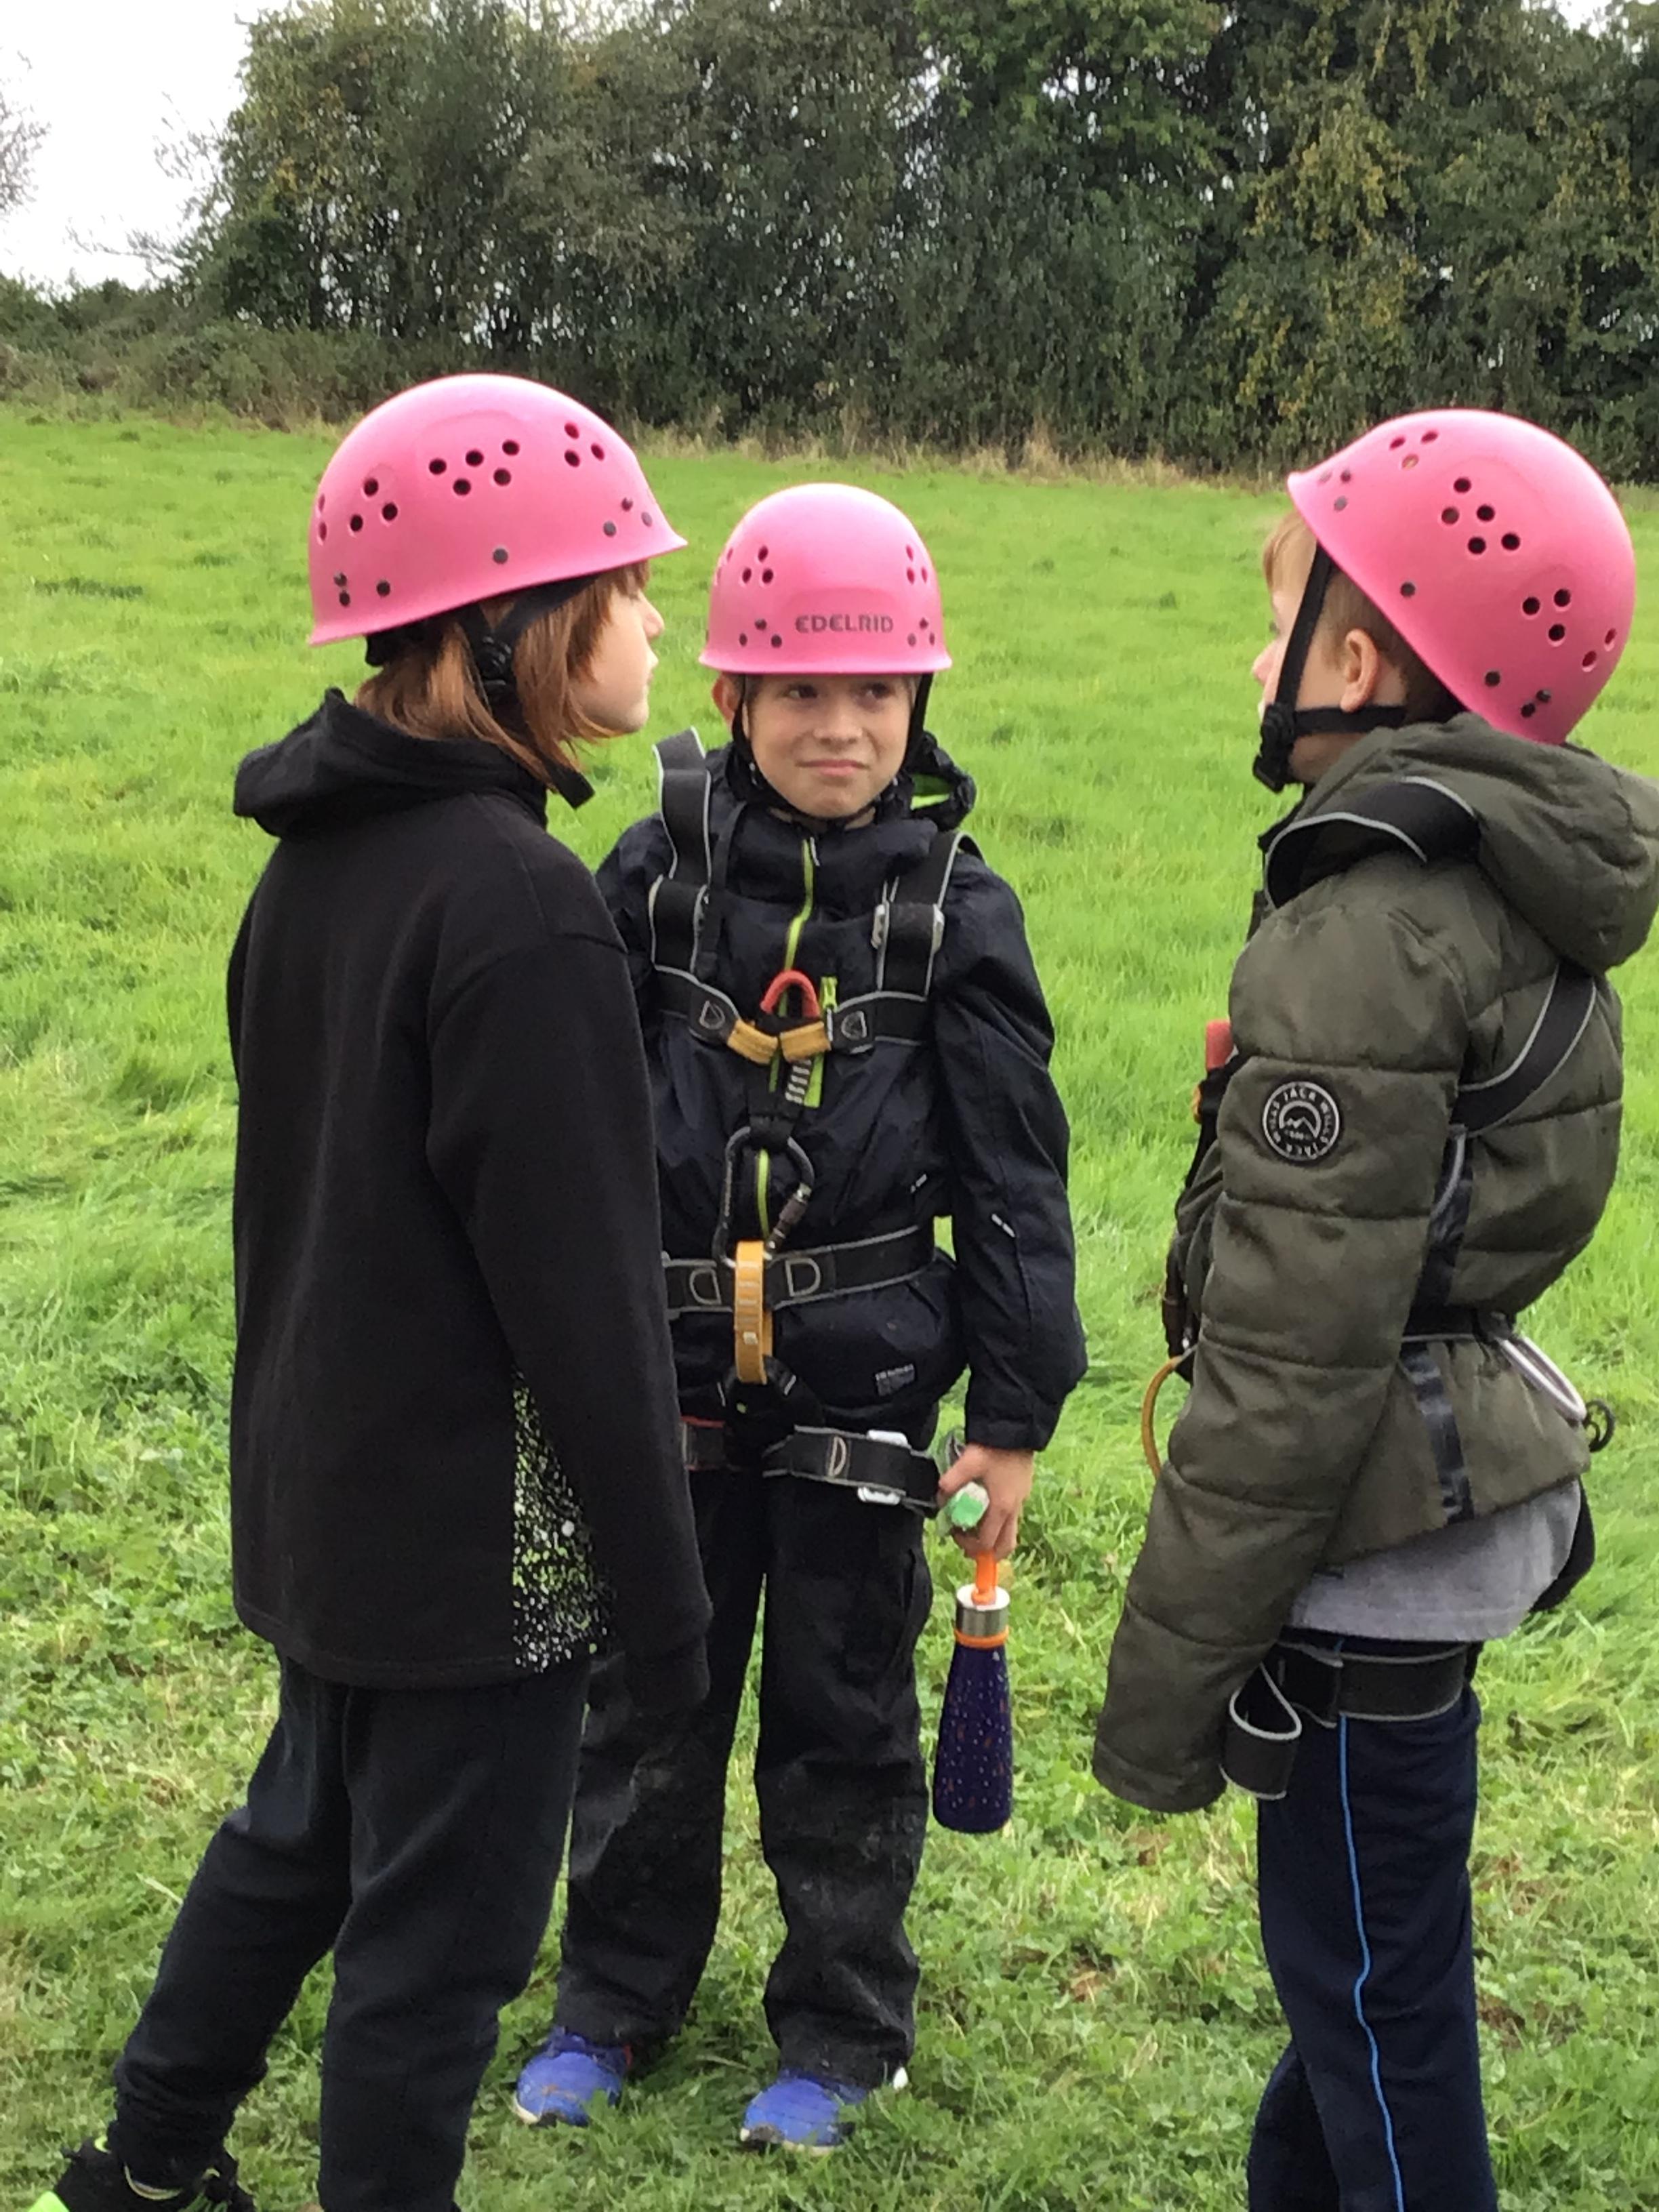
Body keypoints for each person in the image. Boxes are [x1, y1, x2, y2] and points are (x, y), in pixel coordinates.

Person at [32, 375, 711, 2212]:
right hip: (481, 1556)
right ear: (517, 624)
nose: (658, 624)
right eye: (628, 586)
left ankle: (145, 2169)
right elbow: (588, 1311)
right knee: (436, 1962)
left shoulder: (314, 868)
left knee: (298, 1842)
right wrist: (668, 1610)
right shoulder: (524, 908)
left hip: (328, 1498)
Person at [1092, 407, 1659, 2209]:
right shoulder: (1501, 873)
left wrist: (1166, 1688)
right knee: (1354, 1962)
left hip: (1364, 1546)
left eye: (1280, 624)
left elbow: (1289, 1361)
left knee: (1375, 2002)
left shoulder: (1371, 928)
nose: (1254, 660)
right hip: (1441, 1508)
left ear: (1356, 663)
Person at [512, 481, 1086, 2151]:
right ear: (732, 695)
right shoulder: (653, 881)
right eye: (803, 692)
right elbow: (564, 1124)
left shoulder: (957, 909)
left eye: (877, 692)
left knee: (843, 1717)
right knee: (650, 1702)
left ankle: (840, 2030)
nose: (842, 727)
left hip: (865, 1386)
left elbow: (1016, 1177)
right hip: (667, 1378)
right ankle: (613, 1999)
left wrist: (1013, 1417)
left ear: (922, 698)